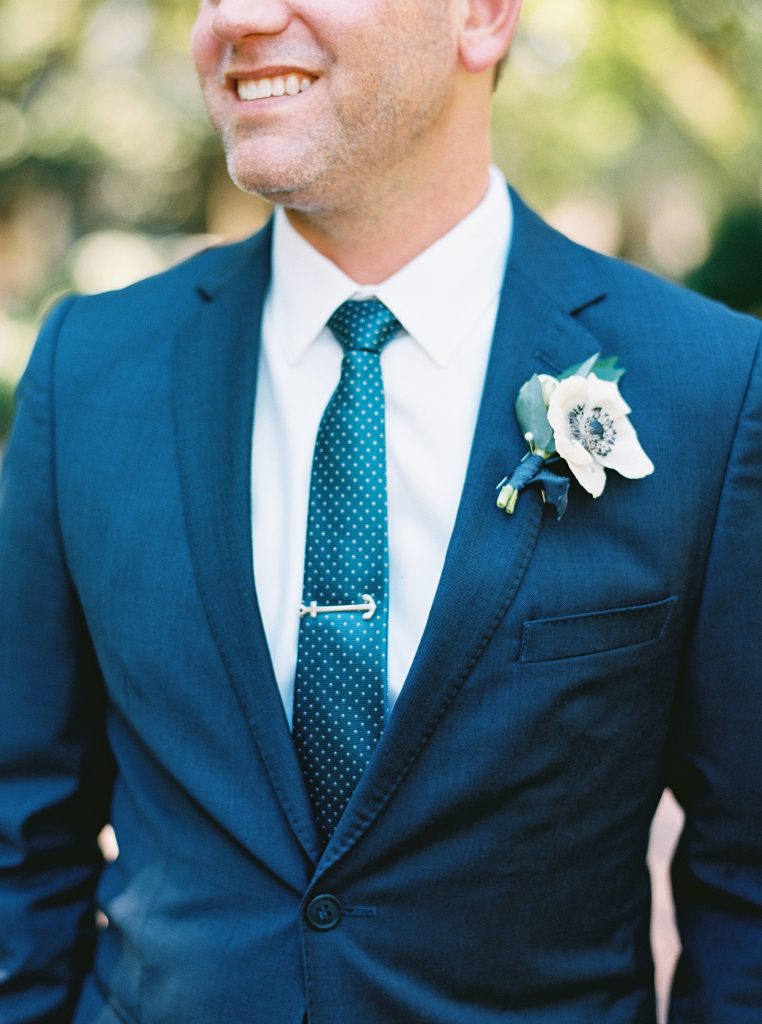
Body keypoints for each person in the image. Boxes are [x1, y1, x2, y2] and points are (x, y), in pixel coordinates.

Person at [0, 0, 760, 1021]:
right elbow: (21, 834)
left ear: (482, 16)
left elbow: (745, 880)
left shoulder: (711, 387)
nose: (237, 17)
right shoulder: (88, 370)